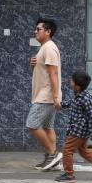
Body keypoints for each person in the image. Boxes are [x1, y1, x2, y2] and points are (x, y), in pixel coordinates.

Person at [55, 71, 92, 183]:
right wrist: (61, 104)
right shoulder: (78, 95)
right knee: (83, 152)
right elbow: (72, 103)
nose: (70, 82)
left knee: (67, 150)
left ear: (77, 85)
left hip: (79, 130)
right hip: (79, 130)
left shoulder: (85, 98)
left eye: (72, 81)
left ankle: (69, 175)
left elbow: (91, 116)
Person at [27, 18, 63, 171]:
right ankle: (52, 161)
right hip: (46, 95)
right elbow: (43, 72)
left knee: (32, 124)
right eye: (35, 29)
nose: (35, 31)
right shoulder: (45, 48)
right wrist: (32, 65)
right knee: (48, 127)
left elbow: (53, 74)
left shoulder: (49, 48)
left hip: (46, 96)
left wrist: (55, 97)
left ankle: (53, 153)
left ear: (48, 32)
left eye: (38, 29)